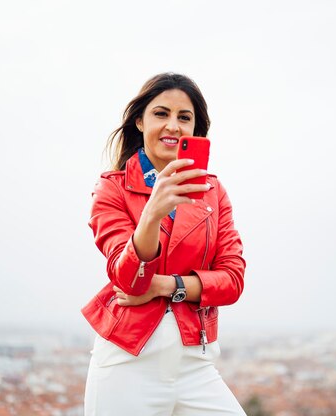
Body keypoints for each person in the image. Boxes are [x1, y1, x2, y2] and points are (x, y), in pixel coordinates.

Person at [82, 73, 247, 415]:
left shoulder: (213, 192)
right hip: (127, 364)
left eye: (184, 118)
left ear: (196, 131)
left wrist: (166, 286)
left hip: (195, 365)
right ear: (140, 121)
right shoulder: (111, 189)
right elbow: (129, 280)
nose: (173, 125)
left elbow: (232, 280)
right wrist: (152, 213)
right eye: (161, 114)